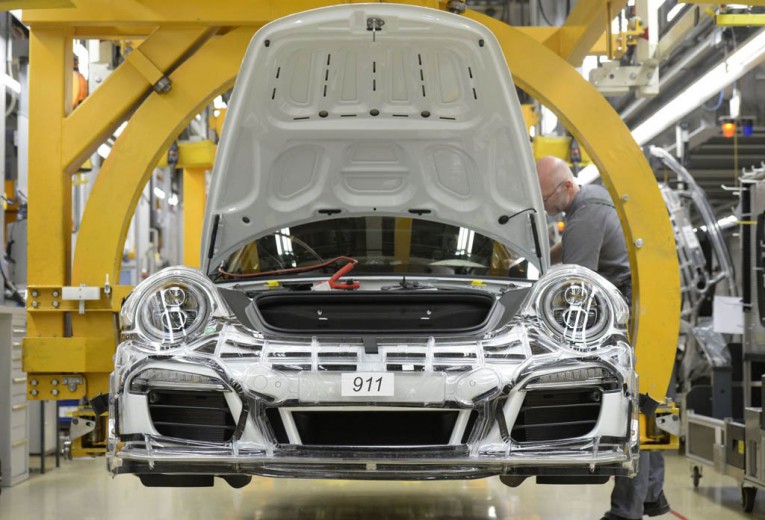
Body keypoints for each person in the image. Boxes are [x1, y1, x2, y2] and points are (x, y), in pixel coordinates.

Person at [535, 156, 670, 520]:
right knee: (649, 403)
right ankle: (653, 496)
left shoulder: (584, 218)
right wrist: (542, 259)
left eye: (545, 199)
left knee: (632, 410)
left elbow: (575, 286)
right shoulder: (595, 199)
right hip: (657, 311)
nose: (546, 209)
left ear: (566, 187)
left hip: (630, 316)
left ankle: (626, 511)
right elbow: (575, 242)